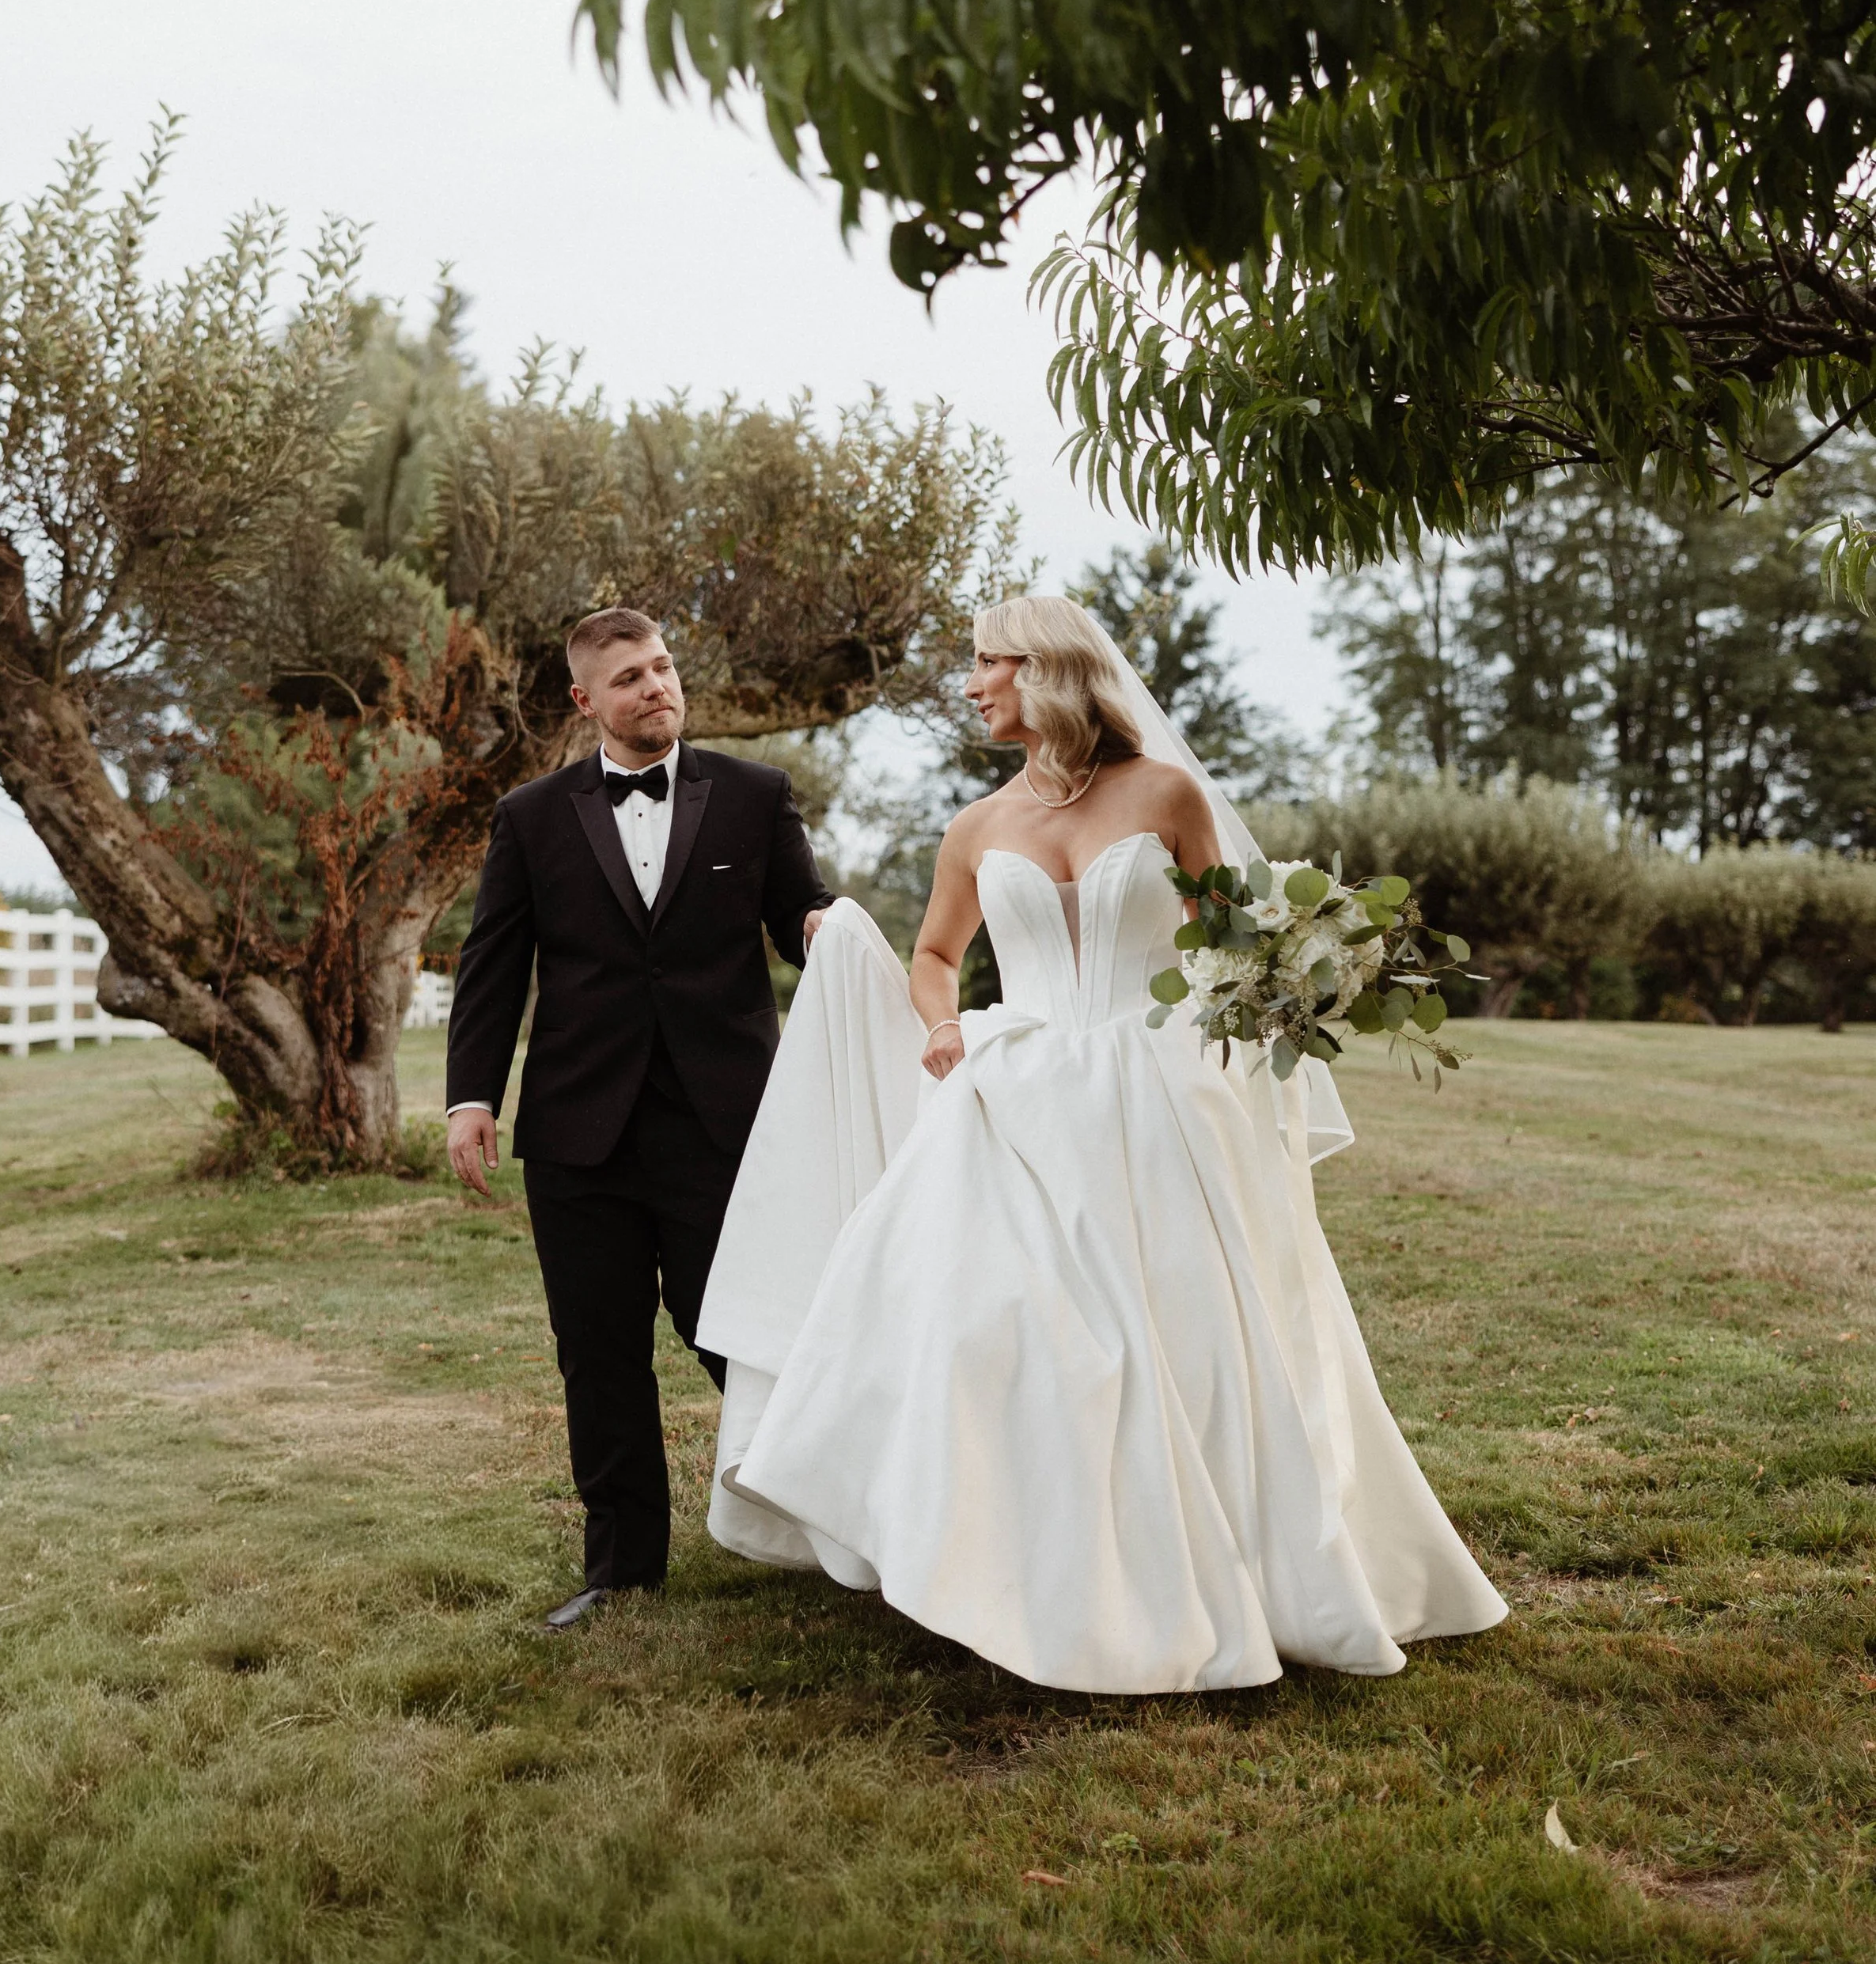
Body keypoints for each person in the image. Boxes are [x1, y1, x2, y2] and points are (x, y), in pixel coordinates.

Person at [699, 594, 1506, 1693]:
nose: (972, 681)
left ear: (1052, 672)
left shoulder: (1165, 794)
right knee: (1003, 1327)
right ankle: (1029, 1564)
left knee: (1191, 1331)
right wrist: (941, 1024)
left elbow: (1226, 941)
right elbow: (936, 955)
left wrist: (1301, 976)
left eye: (989, 660)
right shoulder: (976, 826)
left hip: (1166, 1087)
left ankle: (1232, 1567)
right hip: (1022, 1087)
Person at [445, 606, 832, 1629]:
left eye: (662, 667)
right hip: (579, 1135)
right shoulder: (531, 816)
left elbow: (807, 924)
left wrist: (835, 932)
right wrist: (471, 1093)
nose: (656, 686)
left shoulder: (755, 797)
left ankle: (837, 1520)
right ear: (586, 702)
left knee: (745, 1335)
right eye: (629, 677)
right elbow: (494, 964)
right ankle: (621, 1569)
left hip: (725, 1128)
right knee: (599, 1352)